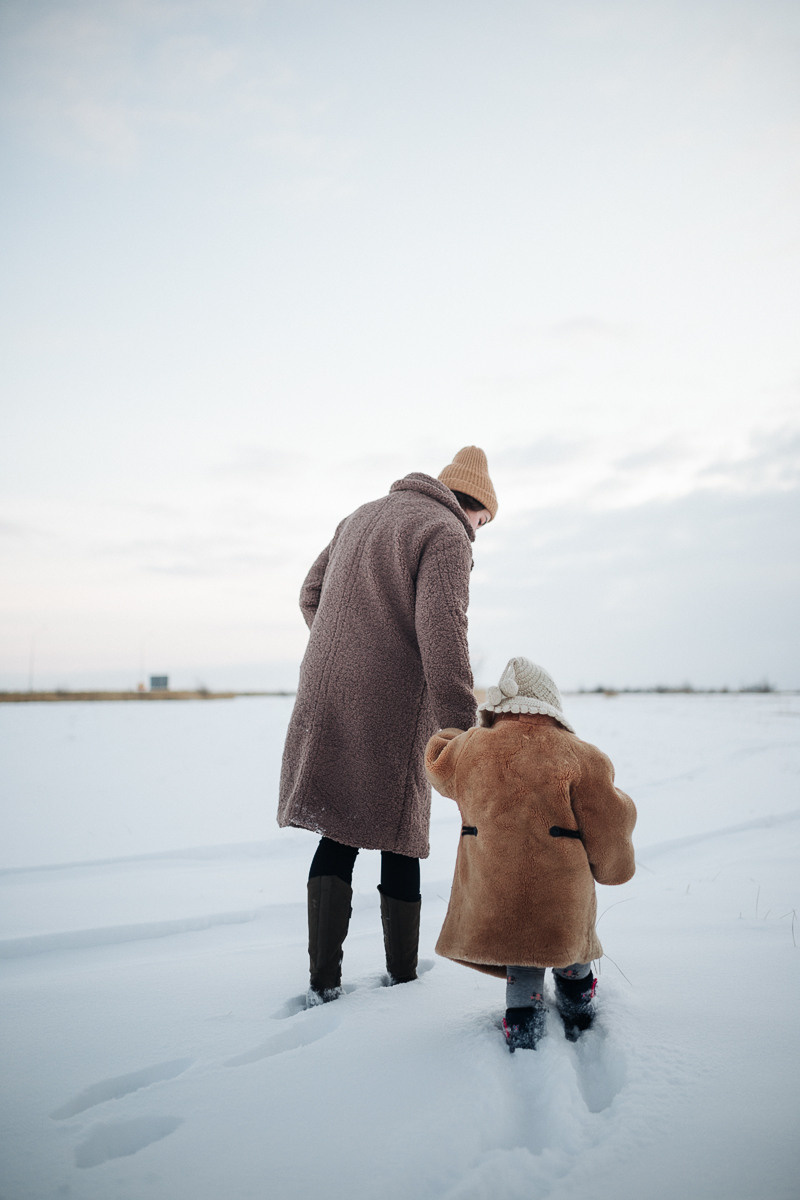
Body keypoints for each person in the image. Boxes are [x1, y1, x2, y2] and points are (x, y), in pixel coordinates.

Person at [278, 446, 498, 1004]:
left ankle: (322, 983)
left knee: (340, 825)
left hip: (326, 691)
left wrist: (347, 648)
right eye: (484, 522)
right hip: (393, 702)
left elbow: (311, 595)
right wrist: (460, 733)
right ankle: (403, 983)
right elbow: (444, 635)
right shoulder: (446, 533)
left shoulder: (362, 514)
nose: (479, 533)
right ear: (470, 506)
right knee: (401, 834)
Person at [424, 657, 636, 1051]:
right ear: (550, 705)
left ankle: (523, 1023)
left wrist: (464, 729)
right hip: (561, 892)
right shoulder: (582, 756)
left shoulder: (471, 749)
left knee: (521, 955)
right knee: (571, 945)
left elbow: (437, 760)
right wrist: (614, 867)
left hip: (495, 887)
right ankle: (578, 1007)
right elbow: (609, 823)